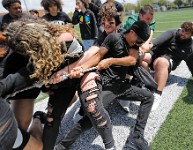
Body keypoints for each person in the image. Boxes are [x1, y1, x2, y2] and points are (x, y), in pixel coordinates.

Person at [2, 17, 100, 150]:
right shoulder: (36, 63)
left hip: (71, 77)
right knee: (52, 121)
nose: (26, 56)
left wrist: (74, 68)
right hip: (55, 80)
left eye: (25, 53)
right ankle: (40, 120)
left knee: (88, 104)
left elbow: (91, 54)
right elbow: (13, 83)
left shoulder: (65, 39)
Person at [54, 20, 153, 150]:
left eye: (141, 42)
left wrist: (111, 60)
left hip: (121, 86)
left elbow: (132, 60)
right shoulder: (113, 38)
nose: (138, 44)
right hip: (107, 86)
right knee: (93, 116)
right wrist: (81, 67)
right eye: (138, 40)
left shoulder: (133, 44)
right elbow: (97, 55)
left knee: (149, 97)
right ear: (132, 32)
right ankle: (63, 145)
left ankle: (138, 135)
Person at [0, 0, 40, 132]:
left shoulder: (28, 19)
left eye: (20, 7)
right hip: (10, 71)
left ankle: (38, 119)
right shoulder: (3, 23)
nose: (19, 10)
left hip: (27, 72)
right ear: (7, 8)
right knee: (15, 125)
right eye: (15, 8)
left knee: (22, 124)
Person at [142, 21, 193, 111]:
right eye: (183, 30)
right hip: (155, 55)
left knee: (162, 62)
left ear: (191, 35)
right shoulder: (171, 33)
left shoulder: (189, 48)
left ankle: (157, 95)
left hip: (167, 61)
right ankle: (147, 84)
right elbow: (156, 42)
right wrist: (146, 48)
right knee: (142, 58)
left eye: (186, 33)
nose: (183, 33)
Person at [119, 4, 156, 113]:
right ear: (140, 16)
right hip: (126, 46)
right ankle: (125, 88)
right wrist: (144, 46)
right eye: (147, 18)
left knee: (145, 61)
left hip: (137, 46)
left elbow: (150, 33)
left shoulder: (150, 21)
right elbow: (132, 39)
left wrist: (147, 44)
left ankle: (141, 84)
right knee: (132, 62)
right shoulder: (132, 21)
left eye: (151, 19)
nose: (149, 21)